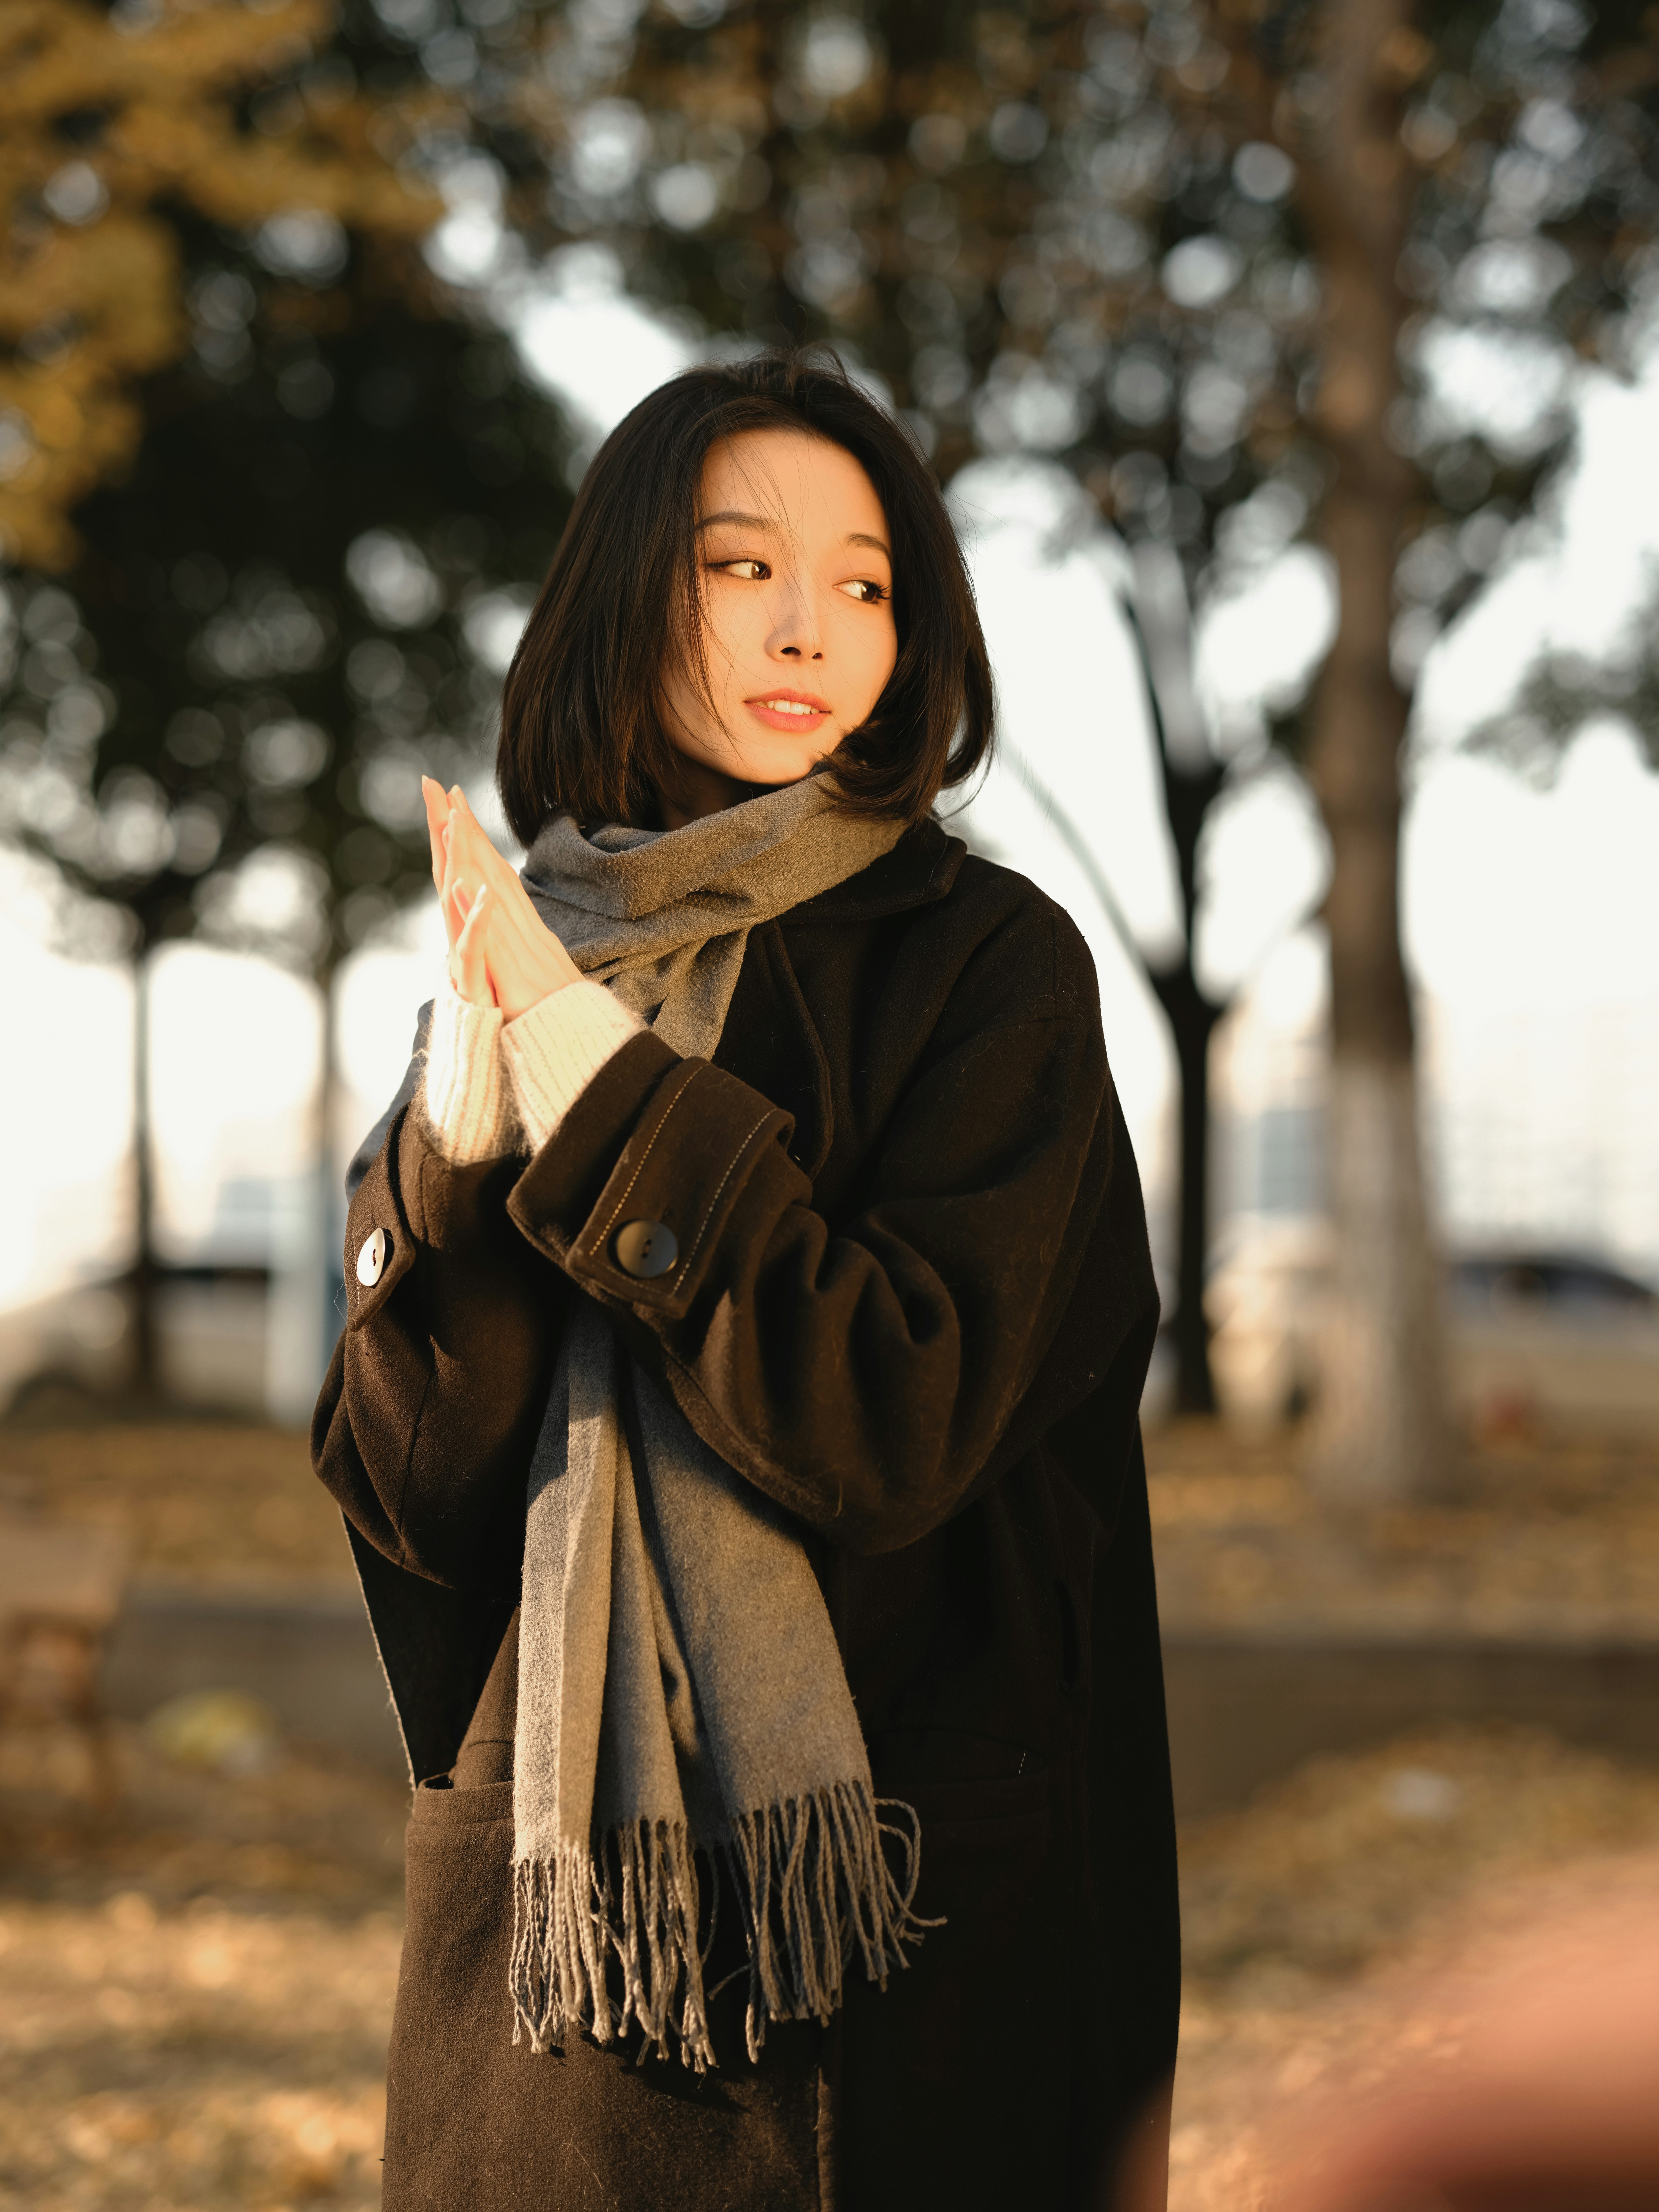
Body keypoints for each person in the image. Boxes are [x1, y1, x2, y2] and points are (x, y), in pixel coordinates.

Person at [311, 349, 1178, 2212]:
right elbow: (409, 1500)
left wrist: (599, 1093)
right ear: (625, 597)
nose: (812, 626)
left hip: (904, 1945)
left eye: (865, 583)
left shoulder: (987, 967)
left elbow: (890, 1421)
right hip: (558, 1966)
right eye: (738, 567)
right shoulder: (528, 953)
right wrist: (462, 1137)